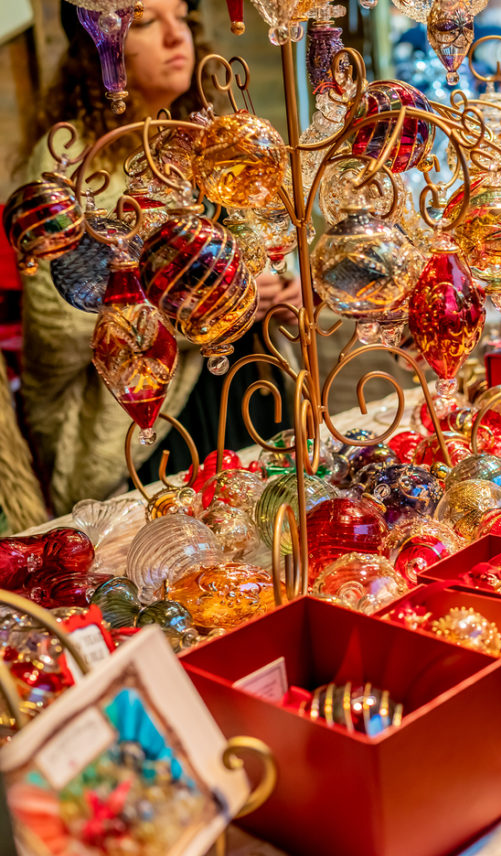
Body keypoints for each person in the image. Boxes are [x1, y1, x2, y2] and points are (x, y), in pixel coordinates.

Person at [17, 0, 300, 514]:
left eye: (183, 17)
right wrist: (207, 311)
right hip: (159, 423)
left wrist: (283, 285)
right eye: (146, 22)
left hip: (249, 388)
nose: (177, 37)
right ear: (99, 46)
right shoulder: (71, 163)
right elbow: (59, 327)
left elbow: (257, 240)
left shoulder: (214, 141)